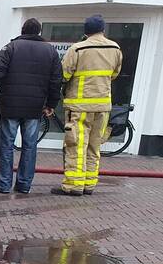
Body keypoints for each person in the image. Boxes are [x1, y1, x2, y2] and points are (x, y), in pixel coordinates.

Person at [0, 18, 62, 194]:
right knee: (30, 145)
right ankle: (24, 184)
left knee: (7, 144)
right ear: (39, 32)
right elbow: (56, 81)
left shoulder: (11, 48)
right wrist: (51, 104)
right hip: (34, 108)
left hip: (10, 105)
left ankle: (4, 184)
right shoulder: (51, 52)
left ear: (23, 30)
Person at [52, 15, 122, 196]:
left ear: (85, 31)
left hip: (79, 107)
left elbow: (64, 75)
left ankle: (73, 185)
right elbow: (114, 74)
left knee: (76, 146)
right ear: (103, 30)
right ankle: (89, 184)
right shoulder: (115, 48)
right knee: (94, 146)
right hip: (103, 107)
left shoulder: (78, 49)